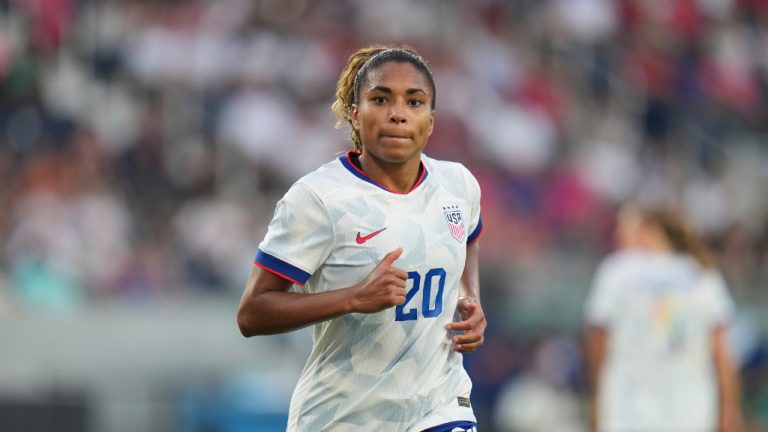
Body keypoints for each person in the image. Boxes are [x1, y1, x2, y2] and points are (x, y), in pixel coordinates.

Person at [237, 45, 486, 432]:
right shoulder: (319, 199)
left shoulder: (458, 184)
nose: (398, 114)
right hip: (345, 416)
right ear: (355, 114)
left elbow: (467, 238)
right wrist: (354, 298)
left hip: (439, 403)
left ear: (431, 120)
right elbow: (252, 313)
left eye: (414, 102)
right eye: (381, 99)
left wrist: (469, 299)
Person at [584, 202, 744, 432]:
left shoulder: (616, 273)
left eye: (624, 227)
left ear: (649, 228)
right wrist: (730, 407)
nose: (617, 235)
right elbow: (722, 353)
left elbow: (598, 342)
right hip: (691, 410)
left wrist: (597, 399)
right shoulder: (703, 275)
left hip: (627, 410)